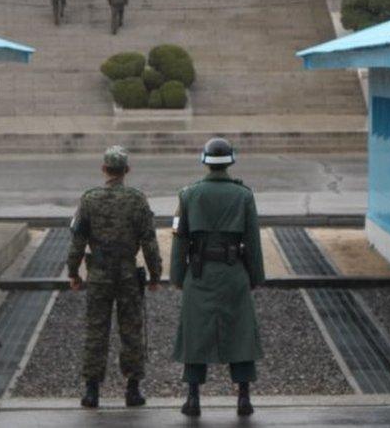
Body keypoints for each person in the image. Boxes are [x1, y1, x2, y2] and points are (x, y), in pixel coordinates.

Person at [171, 137, 264, 417]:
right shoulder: (244, 195)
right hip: (233, 271)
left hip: (199, 274)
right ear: (231, 161)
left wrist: (177, 276)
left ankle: (193, 398)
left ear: (205, 161)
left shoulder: (188, 194)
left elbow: (180, 239)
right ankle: (244, 398)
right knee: (241, 333)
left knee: (195, 334)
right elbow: (253, 240)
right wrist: (255, 276)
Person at [68, 146, 163, 409]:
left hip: (98, 274)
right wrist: (155, 275)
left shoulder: (89, 199)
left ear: (104, 169)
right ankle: (133, 390)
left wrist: (73, 272)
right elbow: (149, 242)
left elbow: (77, 241)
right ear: (127, 171)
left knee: (96, 330)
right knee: (131, 330)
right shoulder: (137, 200)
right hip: (127, 275)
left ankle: (91, 391)